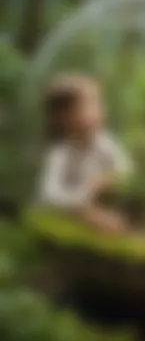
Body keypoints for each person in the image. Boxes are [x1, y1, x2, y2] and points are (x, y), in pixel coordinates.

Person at [38, 73, 133, 234]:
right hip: (71, 215)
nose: (99, 111)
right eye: (89, 106)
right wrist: (85, 195)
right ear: (64, 117)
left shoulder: (105, 143)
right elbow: (49, 195)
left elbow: (125, 169)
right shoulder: (61, 153)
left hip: (102, 208)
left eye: (99, 104)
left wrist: (110, 180)